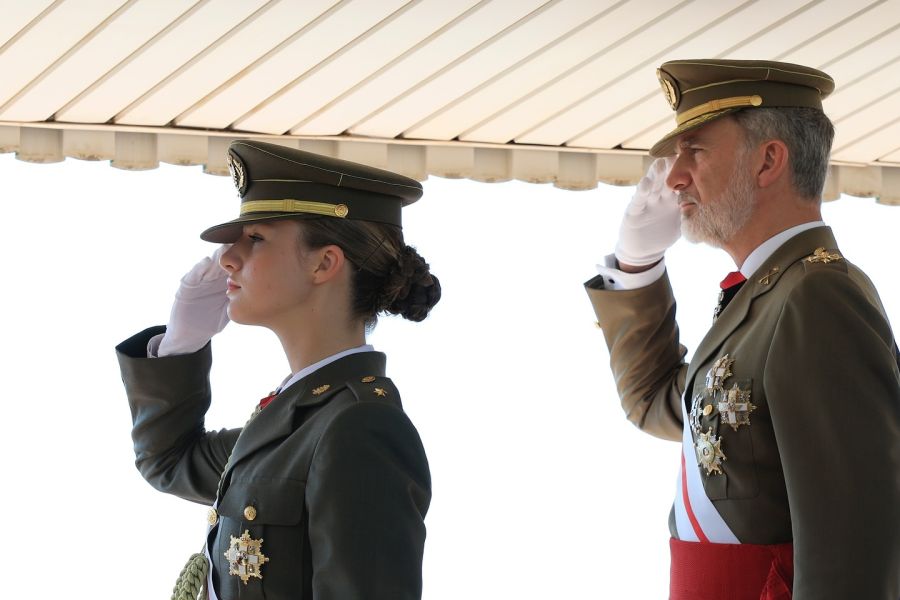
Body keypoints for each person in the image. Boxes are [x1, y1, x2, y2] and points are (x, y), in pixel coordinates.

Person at [585, 59, 900, 600]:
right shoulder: (769, 295)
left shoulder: (818, 296)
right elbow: (656, 402)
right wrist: (637, 266)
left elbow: (855, 542)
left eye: (696, 151)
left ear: (768, 160)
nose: (676, 175)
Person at [116, 140, 440, 600]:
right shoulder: (295, 421)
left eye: (257, 239)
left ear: (324, 262)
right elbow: (168, 461)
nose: (228, 257)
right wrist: (181, 343)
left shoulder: (359, 425)